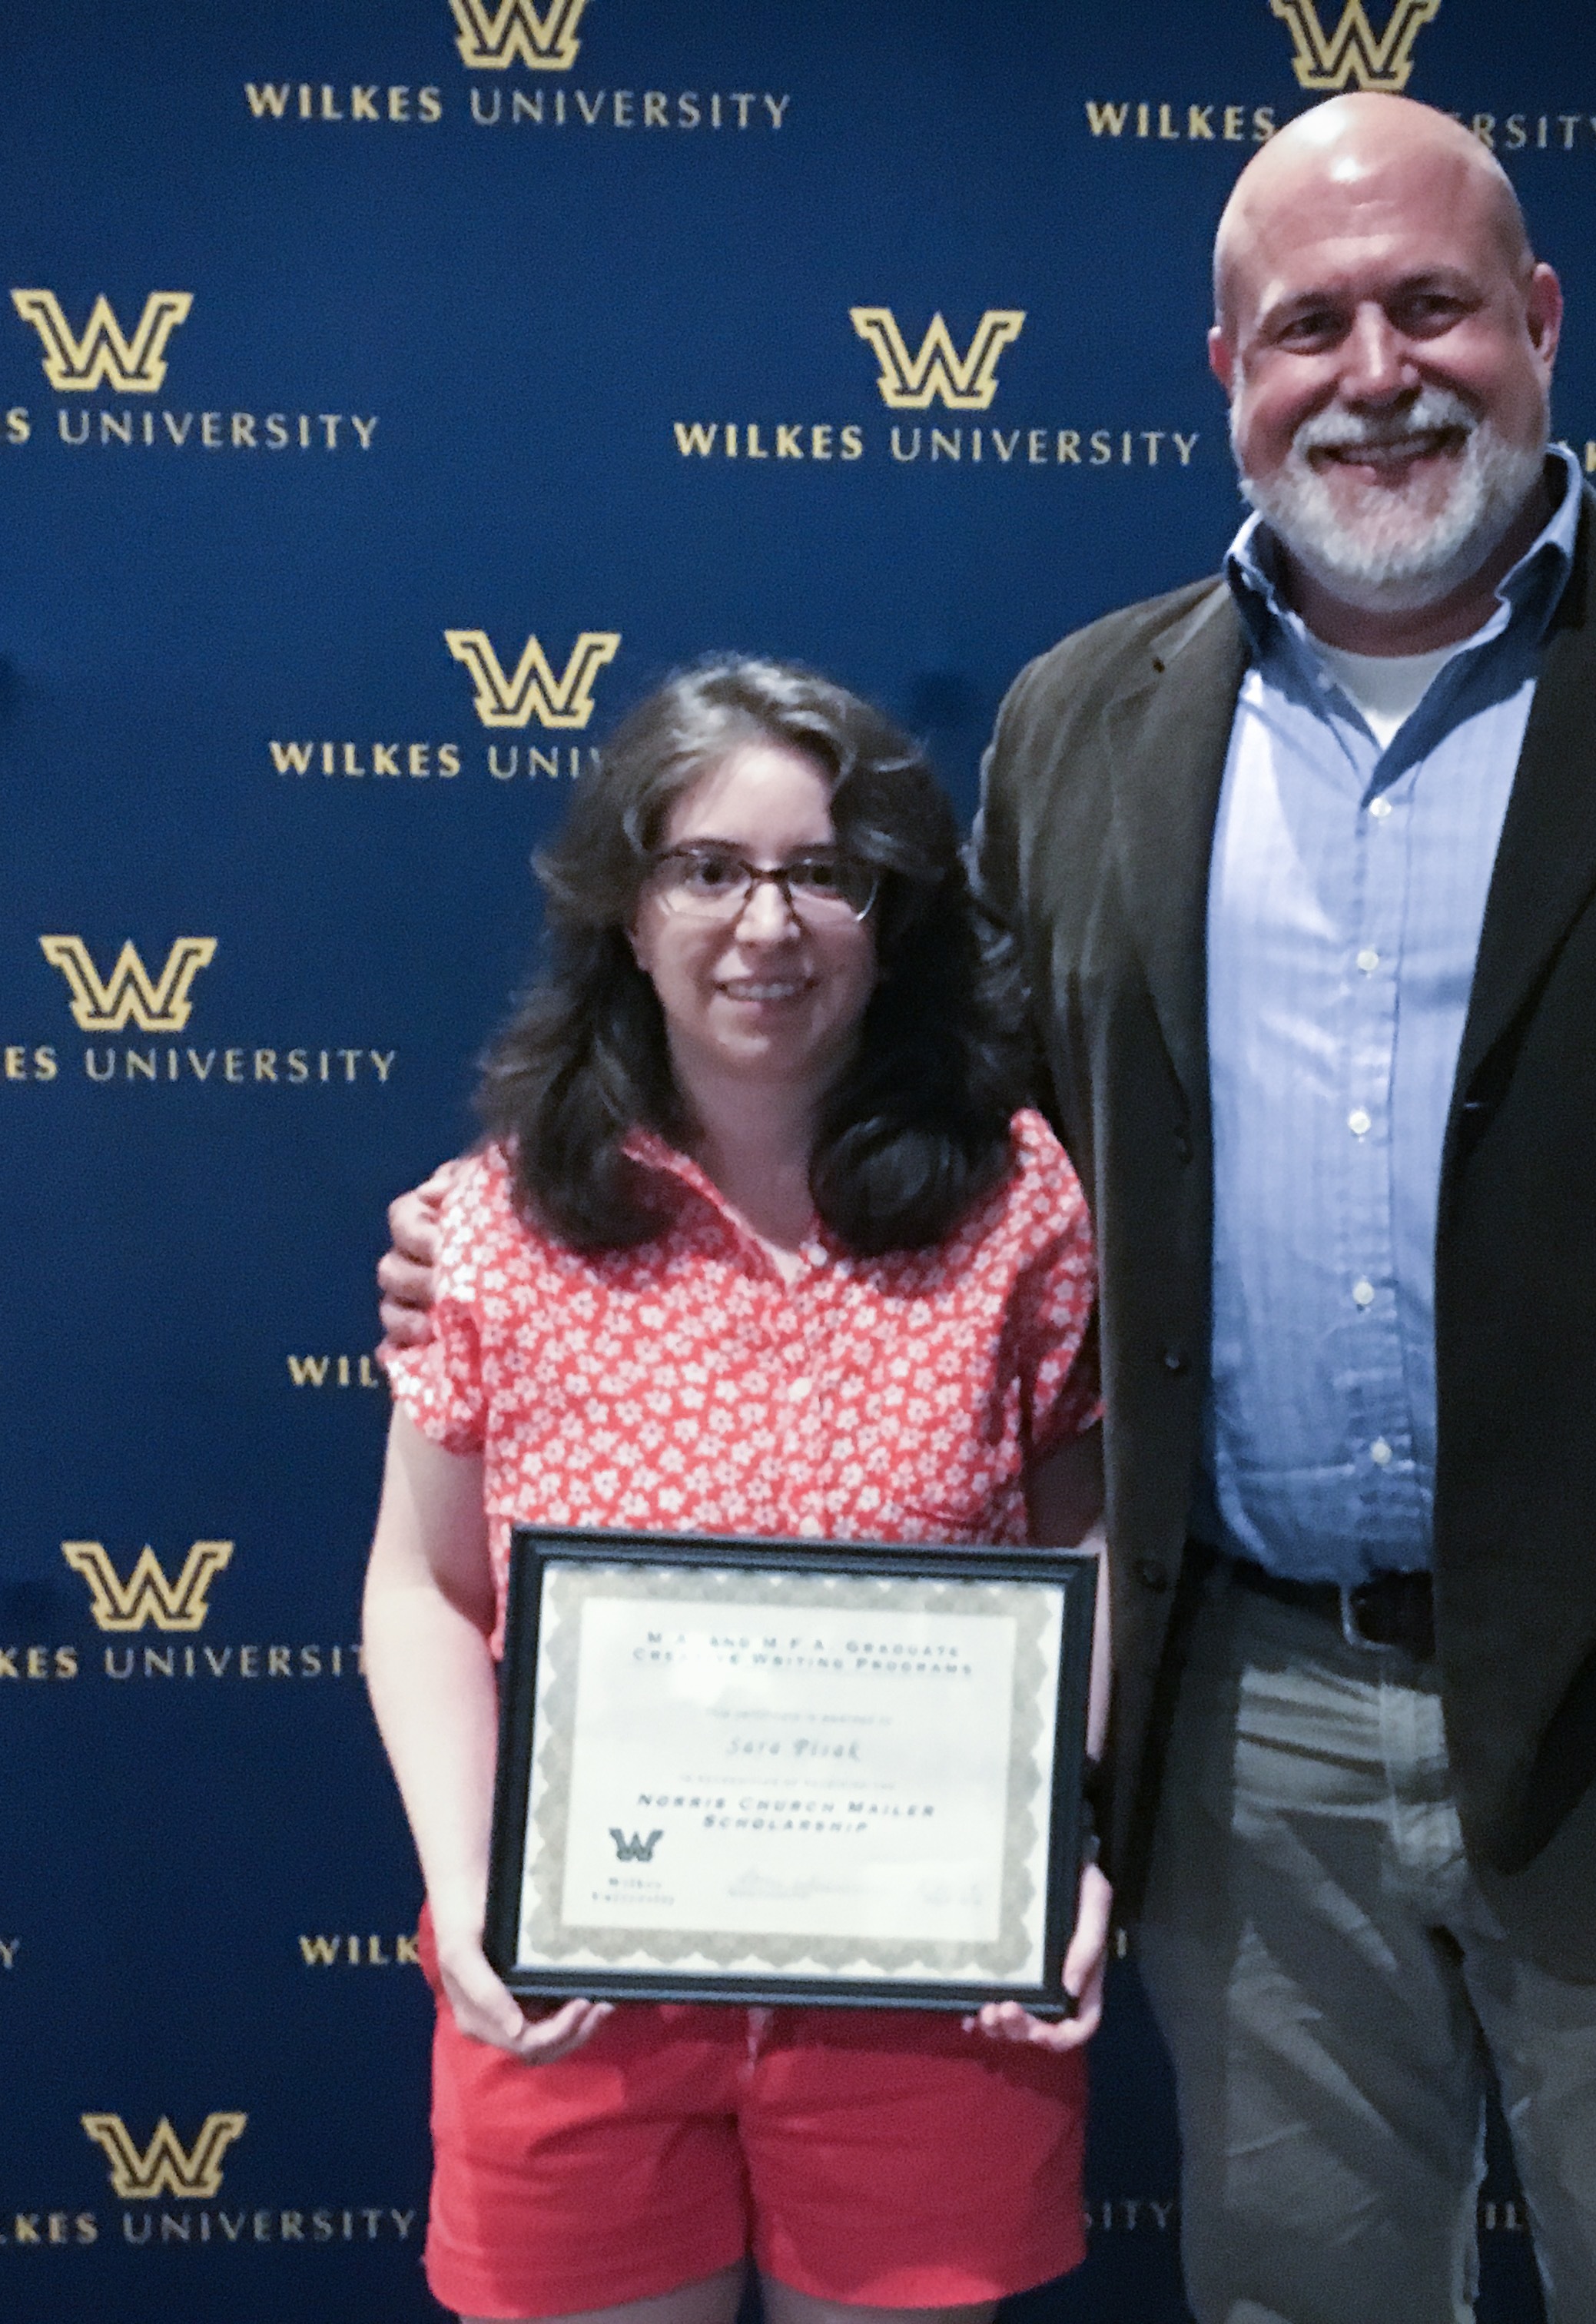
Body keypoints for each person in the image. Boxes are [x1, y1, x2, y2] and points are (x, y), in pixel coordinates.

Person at [389, 94, 1596, 2324]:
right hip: (1241, 1723)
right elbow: (959, 1148)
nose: (1374, 373)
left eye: (1430, 308)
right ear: (1227, 372)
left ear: (1541, 319)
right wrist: (546, 1215)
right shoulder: (1086, 721)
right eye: (1308, 326)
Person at [361, 656, 1115, 2324]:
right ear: (627, 913)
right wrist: (470, 1894)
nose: (766, 925)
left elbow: (1078, 1537)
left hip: (930, 1995)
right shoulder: (491, 1224)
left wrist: (1056, 1834)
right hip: (578, 1992)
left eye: (823, 874)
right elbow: (424, 1587)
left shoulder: (1019, 1204)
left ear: (890, 916)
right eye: (708, 869)